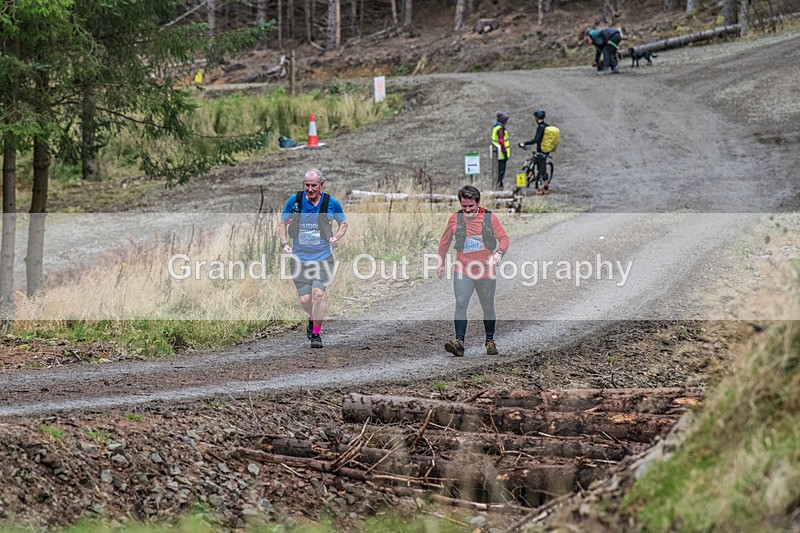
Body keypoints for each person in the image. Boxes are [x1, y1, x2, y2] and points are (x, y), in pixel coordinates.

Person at [278, 169, 348, 349]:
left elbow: (343, 223)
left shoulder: (331, 203)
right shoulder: (295, 201)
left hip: (323, 258)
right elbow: (282, 222)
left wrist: (336, 238)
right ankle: (312, 317)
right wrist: (284, 243)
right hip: (299, 259)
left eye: (313, 185)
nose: (310, 189)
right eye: (307, 185)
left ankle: (316, 333)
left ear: (321, 185)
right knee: (305, 300)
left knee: (318, 295)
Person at [437, 185, 509, 357]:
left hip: (486, 271)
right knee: (461, 302)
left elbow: (504, 238)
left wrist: (499, 253)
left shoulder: (489, 218)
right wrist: (441, 263)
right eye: (464, 206)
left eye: (471, 206)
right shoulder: (455, 219)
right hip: (463, 269)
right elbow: (444, 242)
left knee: (488, 306)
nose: (468, 210)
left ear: (478, 203)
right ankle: (459, 342)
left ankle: (490, 340)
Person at [518, 108, 552, 195]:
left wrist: (525, 143)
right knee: (535, 162)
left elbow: (536, 139)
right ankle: (530, 178)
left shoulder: (540, 128)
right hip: (545, 151)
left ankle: (545, 188)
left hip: (541, 152)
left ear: (536, 118)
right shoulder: (547, 126)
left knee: (542, 170)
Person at [491, 111, 511, 190]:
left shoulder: (496, 127)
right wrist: (505, 152)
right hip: (501, 155)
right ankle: (499, 188)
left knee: (498, 173)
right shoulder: (500, 129)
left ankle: (498, 187)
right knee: (500, 174)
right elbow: (501, 141)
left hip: (497, 154)